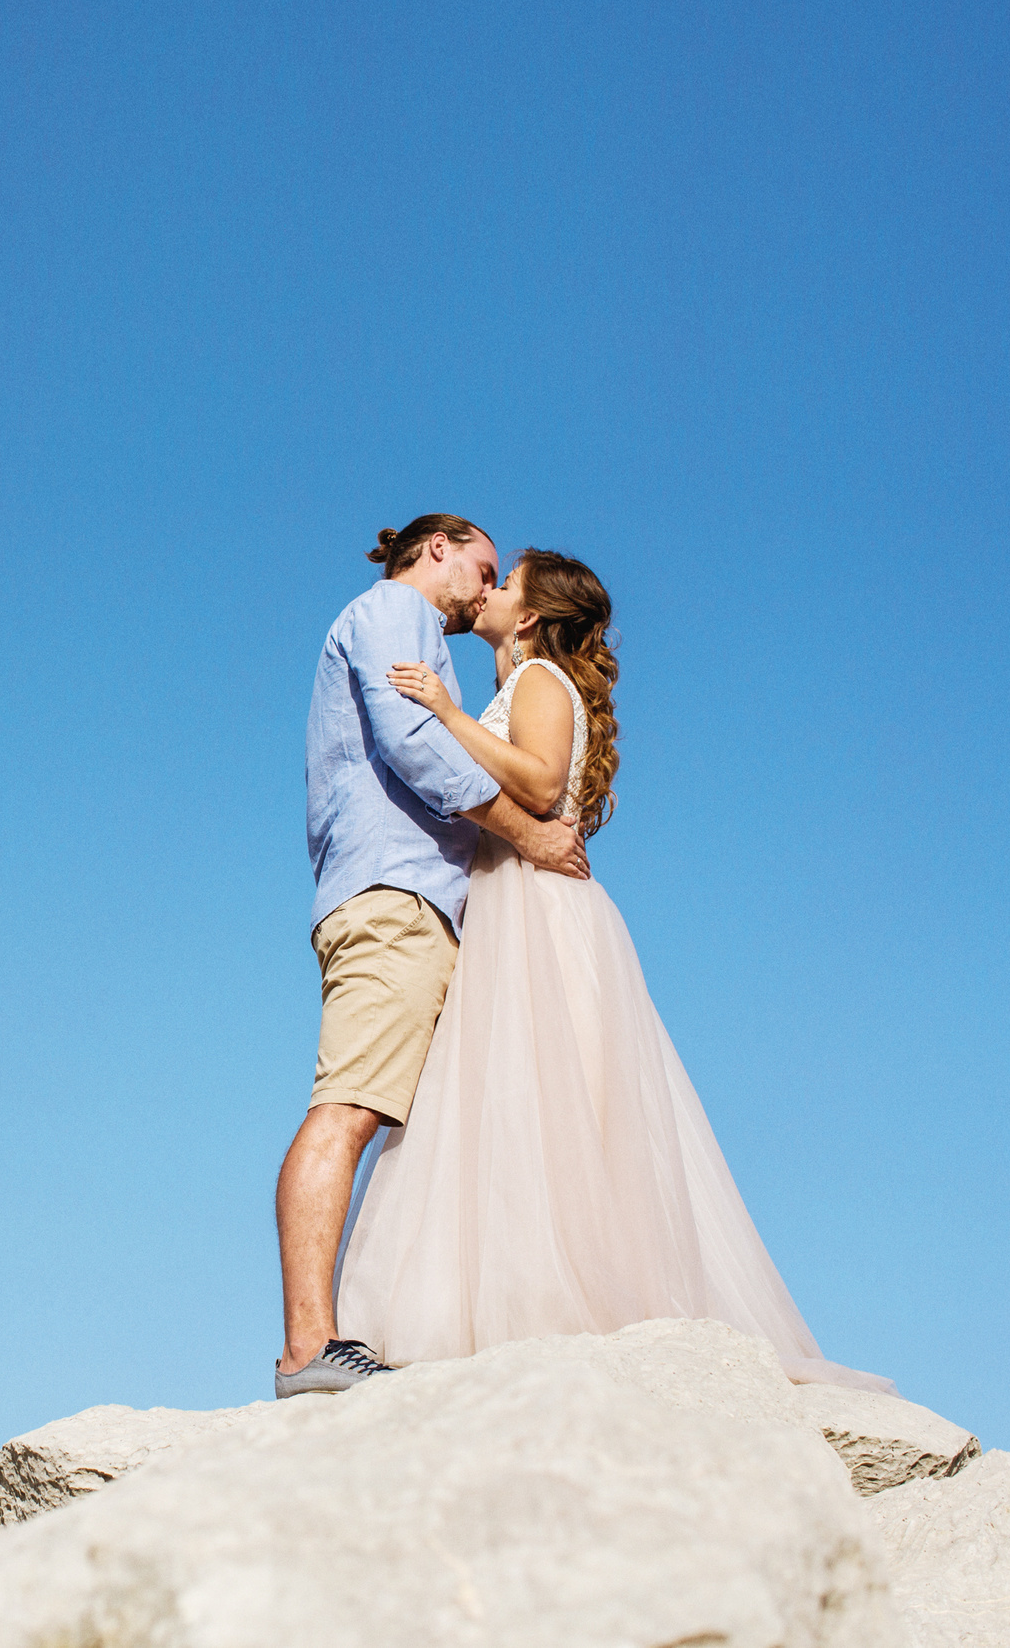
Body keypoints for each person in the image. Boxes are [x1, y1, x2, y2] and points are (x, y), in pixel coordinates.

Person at [337, 548, 893, 1394]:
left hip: (535, 907)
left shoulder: (537, 683)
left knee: (538, 1099)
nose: (487, 592)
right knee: (510, 1105)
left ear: (528, 617)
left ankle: (547, 1307)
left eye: (505, 582)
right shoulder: (522, 685)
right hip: (510, 900)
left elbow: (542, 779)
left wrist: (446, 712)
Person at [275, 518, 591, 1396]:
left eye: (501, 579)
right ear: (439, 547)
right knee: (348, 1108)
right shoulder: (396, 614)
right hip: (394, 897)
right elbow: (416, 747)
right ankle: (310, 1348)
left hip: (409, 899)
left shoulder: (421, 639)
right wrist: (530, 834)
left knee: (388, 1119)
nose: (482, 591)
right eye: (481, 567)